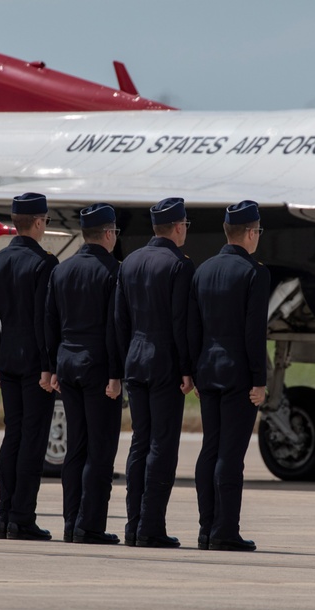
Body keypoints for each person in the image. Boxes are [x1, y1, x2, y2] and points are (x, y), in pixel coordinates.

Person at [189, 200, 271, 552]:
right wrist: (259, 380)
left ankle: (207, 528)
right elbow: (254, 333)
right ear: (251, 233)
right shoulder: (254, 272)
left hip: (207, 370)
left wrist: (192, 370)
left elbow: (192, 327)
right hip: (238, 374)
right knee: (230, 455)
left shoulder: (203, 270)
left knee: (210, 449)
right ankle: (225, 530)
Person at [115, 196, 195, 548]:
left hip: (135, 358)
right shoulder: (178, 264)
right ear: (178, 227)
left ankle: (134, 524)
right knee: (163, 446)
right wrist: (187, 368)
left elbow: (120, 320)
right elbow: (182, 323)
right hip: (164, 362)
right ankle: (151, 526)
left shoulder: (130, 261)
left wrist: (122, 362)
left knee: (139, 442)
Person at [45, 203, 123, 544]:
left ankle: (70, 520)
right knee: (100, 450)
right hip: (99, 368)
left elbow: (49, 323)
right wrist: (116, 374)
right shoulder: (112, 271)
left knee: (76, 449)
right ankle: (89, 525)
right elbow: (115, 328)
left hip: (68, 364)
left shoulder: (62, 270)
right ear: (108, 234)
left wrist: (52, 367)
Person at [0, 192, 58, 541]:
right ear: (39, 223)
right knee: (32, 439)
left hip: (8, 360)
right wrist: (48, 365)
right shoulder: (44, 263)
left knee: (13, 435)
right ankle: (21, 517)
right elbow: (46, 320)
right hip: (34, 364)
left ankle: (4, 512)